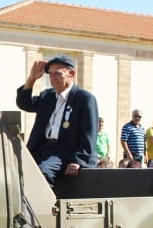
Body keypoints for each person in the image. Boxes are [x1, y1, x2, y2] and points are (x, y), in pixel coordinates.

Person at [15, 55, 99, 185]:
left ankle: (42, 205)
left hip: (66, 151)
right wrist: (31, 79)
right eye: (50, 74)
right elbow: (24, 103)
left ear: (71, 74)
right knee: (14, 169)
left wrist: (78, 161)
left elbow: (90, 133)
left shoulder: (84, 99)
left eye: (58, 74)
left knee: (43, 172)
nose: (53, 78)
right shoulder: (47, 96)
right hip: (43, 148)